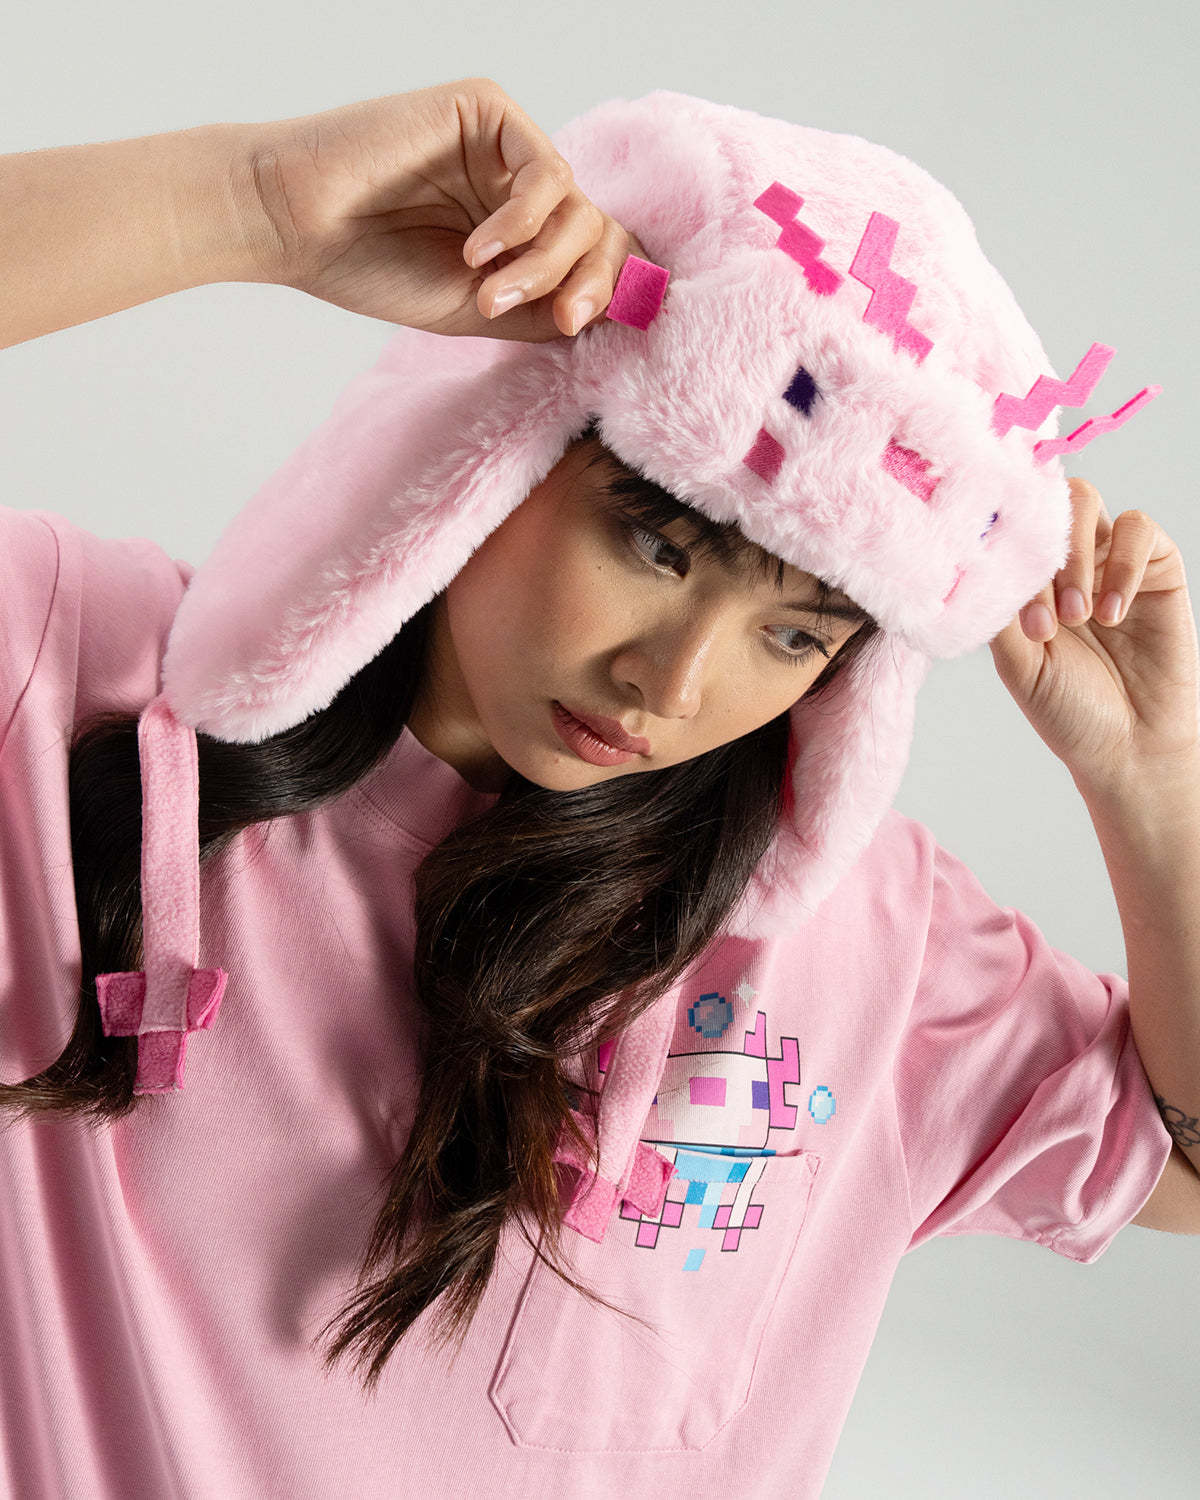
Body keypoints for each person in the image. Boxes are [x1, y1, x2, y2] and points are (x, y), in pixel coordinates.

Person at [1, 76, 1197, 1498]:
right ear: (501, 441)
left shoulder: (869, 943)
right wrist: (249, 205)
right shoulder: (79, 681)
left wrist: (1154, 786)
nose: (674, 682)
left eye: (797, 635)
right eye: (658, 545)